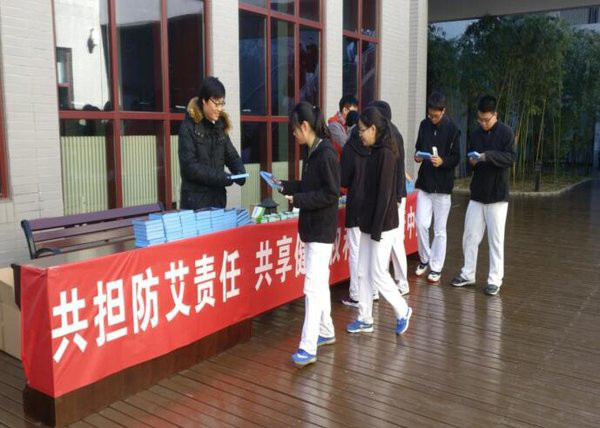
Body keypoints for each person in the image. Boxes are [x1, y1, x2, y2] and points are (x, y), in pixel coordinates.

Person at [281, 102, 341, 367]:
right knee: (319, 284)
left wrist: (299, 200)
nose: (294, 135)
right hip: (313, 228)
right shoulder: (313, 151)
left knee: (312, 287)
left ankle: (308, 346)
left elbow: (331, 193)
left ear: (304, 126)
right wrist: (286, 186)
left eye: (294, 130)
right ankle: (326, 331)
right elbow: (309, 186)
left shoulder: (326, 153)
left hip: (321, 230)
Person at [346, 107, 412, 335]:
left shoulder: (385, 153)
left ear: (373, 129)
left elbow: (385, 195)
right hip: (368, 221)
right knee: (362, 270)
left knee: (377, 272)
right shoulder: (374, 150)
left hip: (382, 225)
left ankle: (402, 310)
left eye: (362, 130)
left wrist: (375, 230)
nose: (360, 135)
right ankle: (365, 318)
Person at [450, 95, 516, 296]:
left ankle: (495, 280)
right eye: (480, 119)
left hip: (497, 195)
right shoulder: (476, 133)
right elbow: (471, 155)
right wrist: (473, 161)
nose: (483, 123)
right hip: (477, 193)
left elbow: (511, 157)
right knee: (470, 235)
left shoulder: (506, 132)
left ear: (495, 115)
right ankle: (468, 273)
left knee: (496, 240)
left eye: (486, 120)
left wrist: (488, 156)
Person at [413, 92, 461, 283]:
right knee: (420, 224)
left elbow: (456, 157)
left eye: (435, 115)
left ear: (443, 111)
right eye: (430, 115)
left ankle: (436, 267)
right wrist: (417, 156)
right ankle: (425, 258)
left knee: (440, 230)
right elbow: (418, 147)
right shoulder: (424, 125)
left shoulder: (453, 129)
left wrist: (443, 161)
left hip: (442, 186)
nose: (432, 118)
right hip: (425, 183)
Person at [178, 76, 246, 210]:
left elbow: (231, 155)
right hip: (195, 203)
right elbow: (190, 167)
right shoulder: (188, 127)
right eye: (216, 104)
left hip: (218, 200)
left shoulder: (219, 127)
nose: (220, 108)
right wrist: (223, 177)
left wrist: (240, 172)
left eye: (222, 103)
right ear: (204, 100)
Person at [369, 100, 409, 296]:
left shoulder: (392, 136)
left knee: (394, 241)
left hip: (395, 197)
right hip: (393, 195)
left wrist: (397, 197)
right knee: (387, 244)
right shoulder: (385, 135)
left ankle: (402, 283)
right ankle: (381, 284)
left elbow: (398, 169)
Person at [339, 116, 370, 307]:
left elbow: (343, 179)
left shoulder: (350, 148)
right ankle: (371, 291)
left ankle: (356, 294)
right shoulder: (375, 146)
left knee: (356, 252)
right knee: (369, 251)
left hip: (356, 203)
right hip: (371, 204)